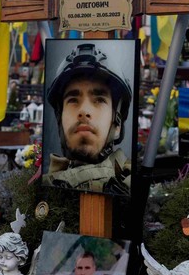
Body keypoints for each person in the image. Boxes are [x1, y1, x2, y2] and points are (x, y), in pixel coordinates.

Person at [42, 43, 132, 194]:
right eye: (73, 100)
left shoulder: (133, 185)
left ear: (117, 126)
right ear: (60, 119)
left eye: (99, 100)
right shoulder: (40, 185)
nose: (84, 111)